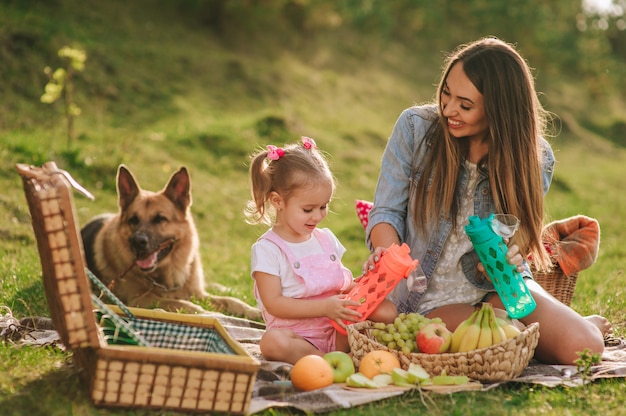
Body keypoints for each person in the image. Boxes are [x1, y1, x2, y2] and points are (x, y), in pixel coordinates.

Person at [365, 37, 611, 365]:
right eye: (446, 93)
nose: (448, 109)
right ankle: (515, 329)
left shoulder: (534, 158)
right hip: (422, 297)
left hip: (499, 287)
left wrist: (512, 252)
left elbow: (520, 234)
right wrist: (387, 256)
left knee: (584, 347)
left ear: (498, 110)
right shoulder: (414, 128)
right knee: (483, 344)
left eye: (465, 105)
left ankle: (546, 324)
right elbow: (386, 211)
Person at [246, 136, 397, 364]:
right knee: (271, 342)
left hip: (337, 330)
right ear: (278, 201)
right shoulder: (268, 249)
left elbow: (344, 286)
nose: (317, 216)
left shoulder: (325, 239)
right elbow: (274, 303)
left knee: (387, 311)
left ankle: (344, 354)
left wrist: (372, 278)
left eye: (323, 207)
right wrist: (325, 307)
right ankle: (327, 361)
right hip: (297, 336)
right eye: (308, 209)